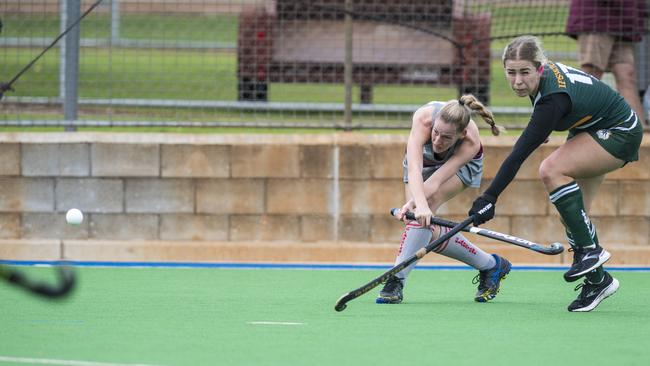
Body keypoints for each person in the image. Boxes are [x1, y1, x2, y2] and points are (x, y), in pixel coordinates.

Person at [469, 36, 643, 312]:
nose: (517, 82)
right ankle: (599, 282)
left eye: (524, 72)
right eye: (511, 73)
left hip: (620, 131)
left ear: (540, 68)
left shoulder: (552, 98)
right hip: (590, 128)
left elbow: (519, 153)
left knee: (551, 169)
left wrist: (489, 197)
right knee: (571, 215)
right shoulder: (544, 84)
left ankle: (589, 252)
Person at [376, 94, 512, 305]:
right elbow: (414, 168)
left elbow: (435, 183)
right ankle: (491, 265)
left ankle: (396, 280)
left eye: (446, 137)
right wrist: (415, 205)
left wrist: (418, 204)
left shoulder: (470, 142)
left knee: (424, 211)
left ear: (461, 134)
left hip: (462, 168)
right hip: (422, 163)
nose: (437, 141)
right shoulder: (423, 119)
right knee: (420, 224)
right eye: (436, 133)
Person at [566, 0, 648, 126]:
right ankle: (578, 128)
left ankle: (638, 131)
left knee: (627, 75)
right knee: (590, 75)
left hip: (624, 21)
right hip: (596, 18)